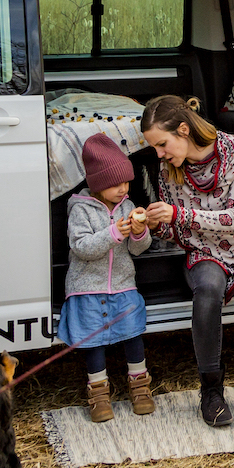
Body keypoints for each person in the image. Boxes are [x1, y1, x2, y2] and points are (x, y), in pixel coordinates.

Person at [139, 94, 234, 429]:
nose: (159, 154)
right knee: (208, 288)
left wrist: (179, 215)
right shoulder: (167, 169)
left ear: (184, 130)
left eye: (162, 144)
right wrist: (158, 225)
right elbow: (178, 232)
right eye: (156, 148)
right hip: (205, 251)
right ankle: (211, 390)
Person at [62, 133, 155, 422]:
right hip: (87, 288)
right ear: (98, 183)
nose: (123, 188)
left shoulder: (127, 206)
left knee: (133, 333)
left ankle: (140, 387)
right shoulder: (80, 209)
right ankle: (99, 394)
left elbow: (137, 250)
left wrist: (139, 232)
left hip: (123, 285)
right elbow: (82, 248)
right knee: (93, 342)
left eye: (126, 182)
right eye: (116, 184)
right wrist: (114, 232)